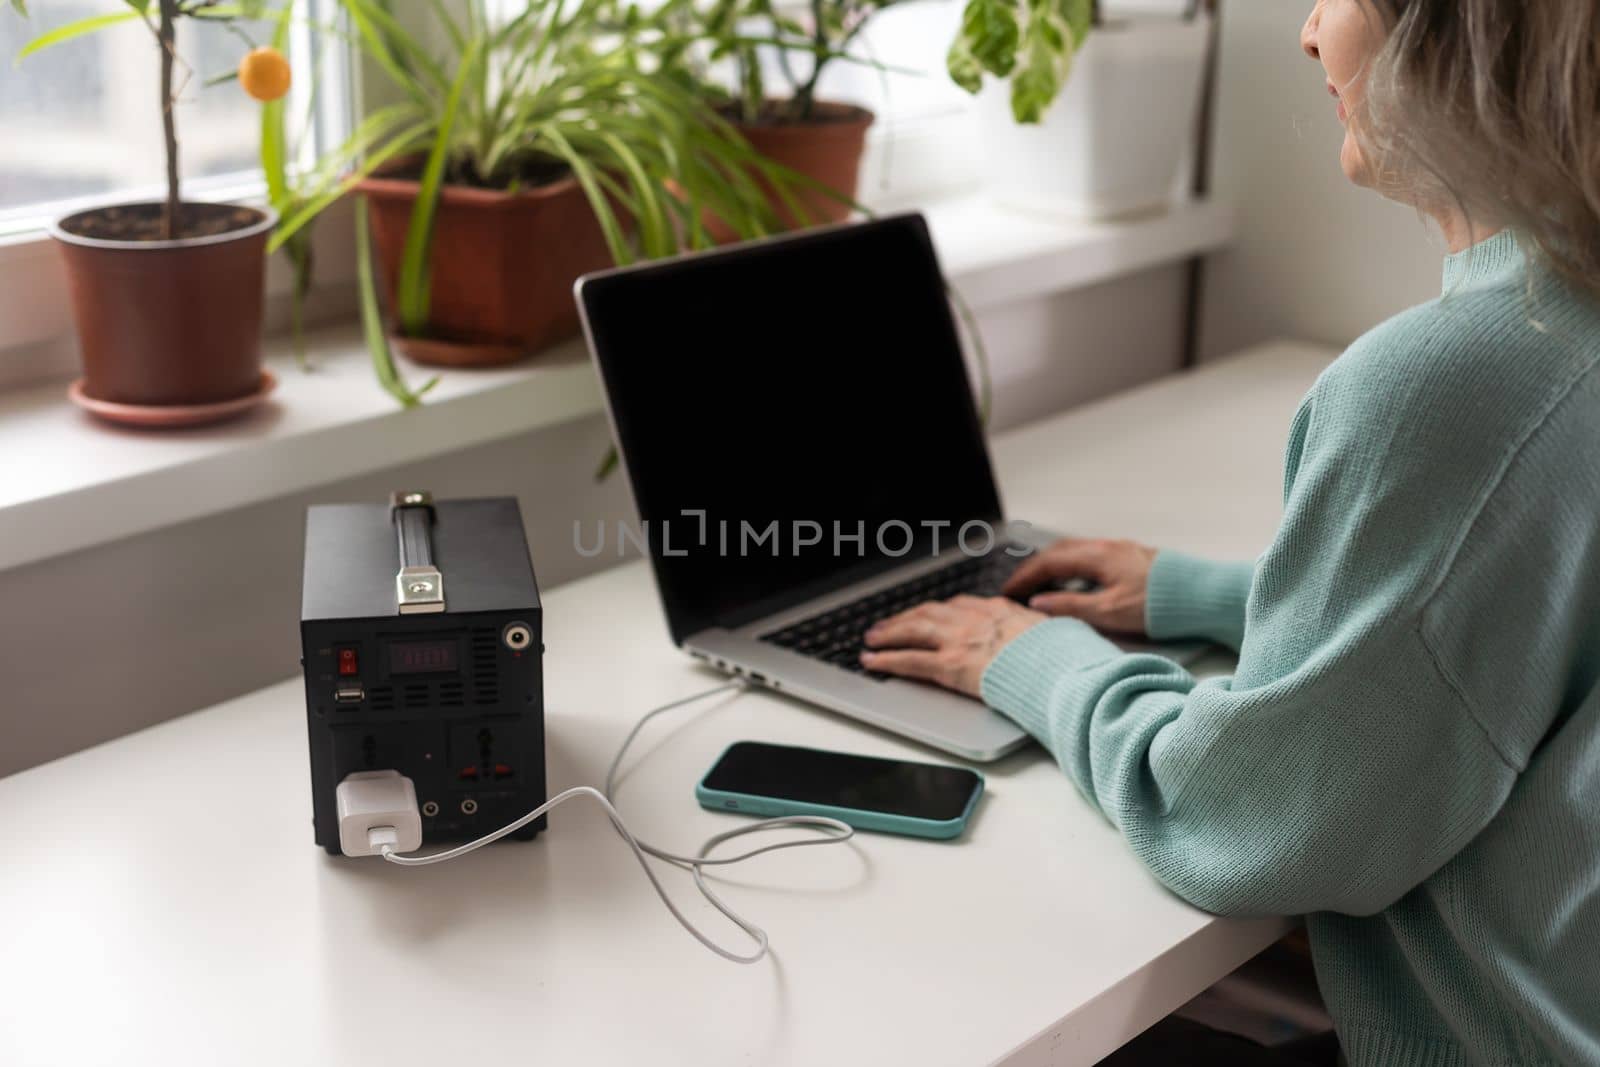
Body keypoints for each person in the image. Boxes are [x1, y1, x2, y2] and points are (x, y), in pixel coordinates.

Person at [859, 1, 1600, 1063]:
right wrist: (1207, 594)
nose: (1306, 33)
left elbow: (1237, 821)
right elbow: (1516, 612)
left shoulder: (1456, 381)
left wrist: (1036, 661)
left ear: (1462, 36)